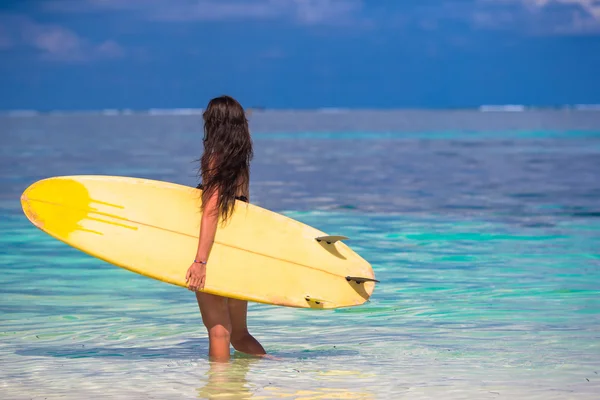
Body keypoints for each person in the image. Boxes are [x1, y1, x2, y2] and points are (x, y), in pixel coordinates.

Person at [185, 95, 266, 362]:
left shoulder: (215, 159)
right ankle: (278, 369)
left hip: (217, 252)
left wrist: (200, 261)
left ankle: (219, 390)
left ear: (214, 122)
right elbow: (243, 212)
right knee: (239, 334)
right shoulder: (241, 160)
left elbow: (210, 210)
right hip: (239, 251)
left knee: (219, 332)